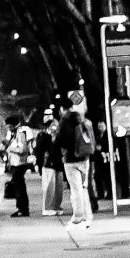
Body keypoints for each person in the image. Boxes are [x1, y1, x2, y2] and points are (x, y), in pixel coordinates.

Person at [56, 89, 96, 227]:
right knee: (85, 187)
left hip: (70, 160)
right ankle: (88, 216)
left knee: (76, 189)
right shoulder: (83, 120)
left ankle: (78, 216)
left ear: (62, 109)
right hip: (84, 158)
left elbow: (59, 141)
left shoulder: (64, 122)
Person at [3, 113, 32, 215]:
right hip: (15, 164)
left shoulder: (20, 134)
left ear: (14, 125)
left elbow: (23, 149)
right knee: (18, 187)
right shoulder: (14, 134)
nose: (8, 128)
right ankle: (21, 209)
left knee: (19, 188)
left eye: (10, 126)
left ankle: (23, 209)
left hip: (20, 164)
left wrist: (10, 149)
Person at [35, 108, 62, 215]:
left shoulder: (58, 135)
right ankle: (48, 207)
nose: (53, 127)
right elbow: (38, 150)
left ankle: (57, 206)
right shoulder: (43, 135)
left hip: (58, 163)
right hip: (48, 163)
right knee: (49, 186)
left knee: (58, 187)